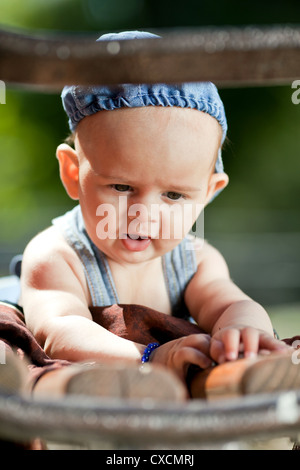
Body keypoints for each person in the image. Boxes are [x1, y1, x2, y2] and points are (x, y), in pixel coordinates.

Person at [19, 30, 290, 393]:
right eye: (121, 187)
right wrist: (149, 359)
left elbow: (232, 304)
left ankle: (241, 376)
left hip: (175, 367)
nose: (142, 214)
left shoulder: (195, 261)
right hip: (98, 368)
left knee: (249, 343)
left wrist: (244, 334)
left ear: (209, 193)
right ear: (72, 173)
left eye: (174, 195)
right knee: (13, 343)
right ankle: (78, 394)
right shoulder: (59, 255)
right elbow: (60, 332)